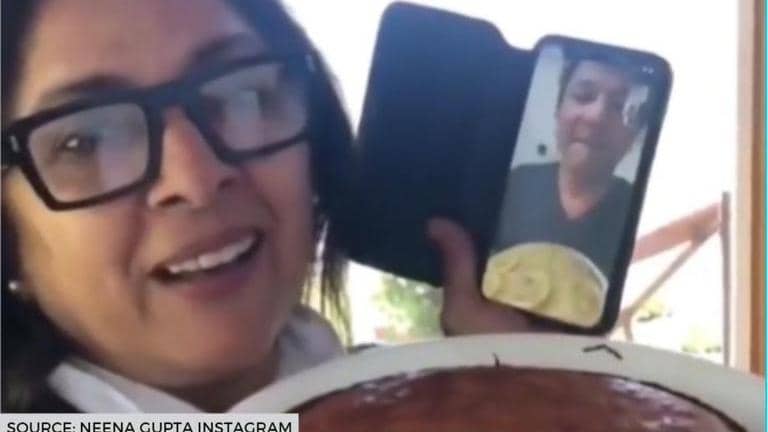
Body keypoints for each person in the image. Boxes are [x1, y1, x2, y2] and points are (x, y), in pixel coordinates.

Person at [1, 0, 537, 413]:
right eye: (86, 142)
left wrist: (539, 389)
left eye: (243, 95)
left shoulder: (440, 402)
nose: (196, 178)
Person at [494, 48, 651, 280]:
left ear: (634, 136)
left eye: (620, 106)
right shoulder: (513, 184)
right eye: (583, 96)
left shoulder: (641, 217)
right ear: (558, 110)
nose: (596, 117)